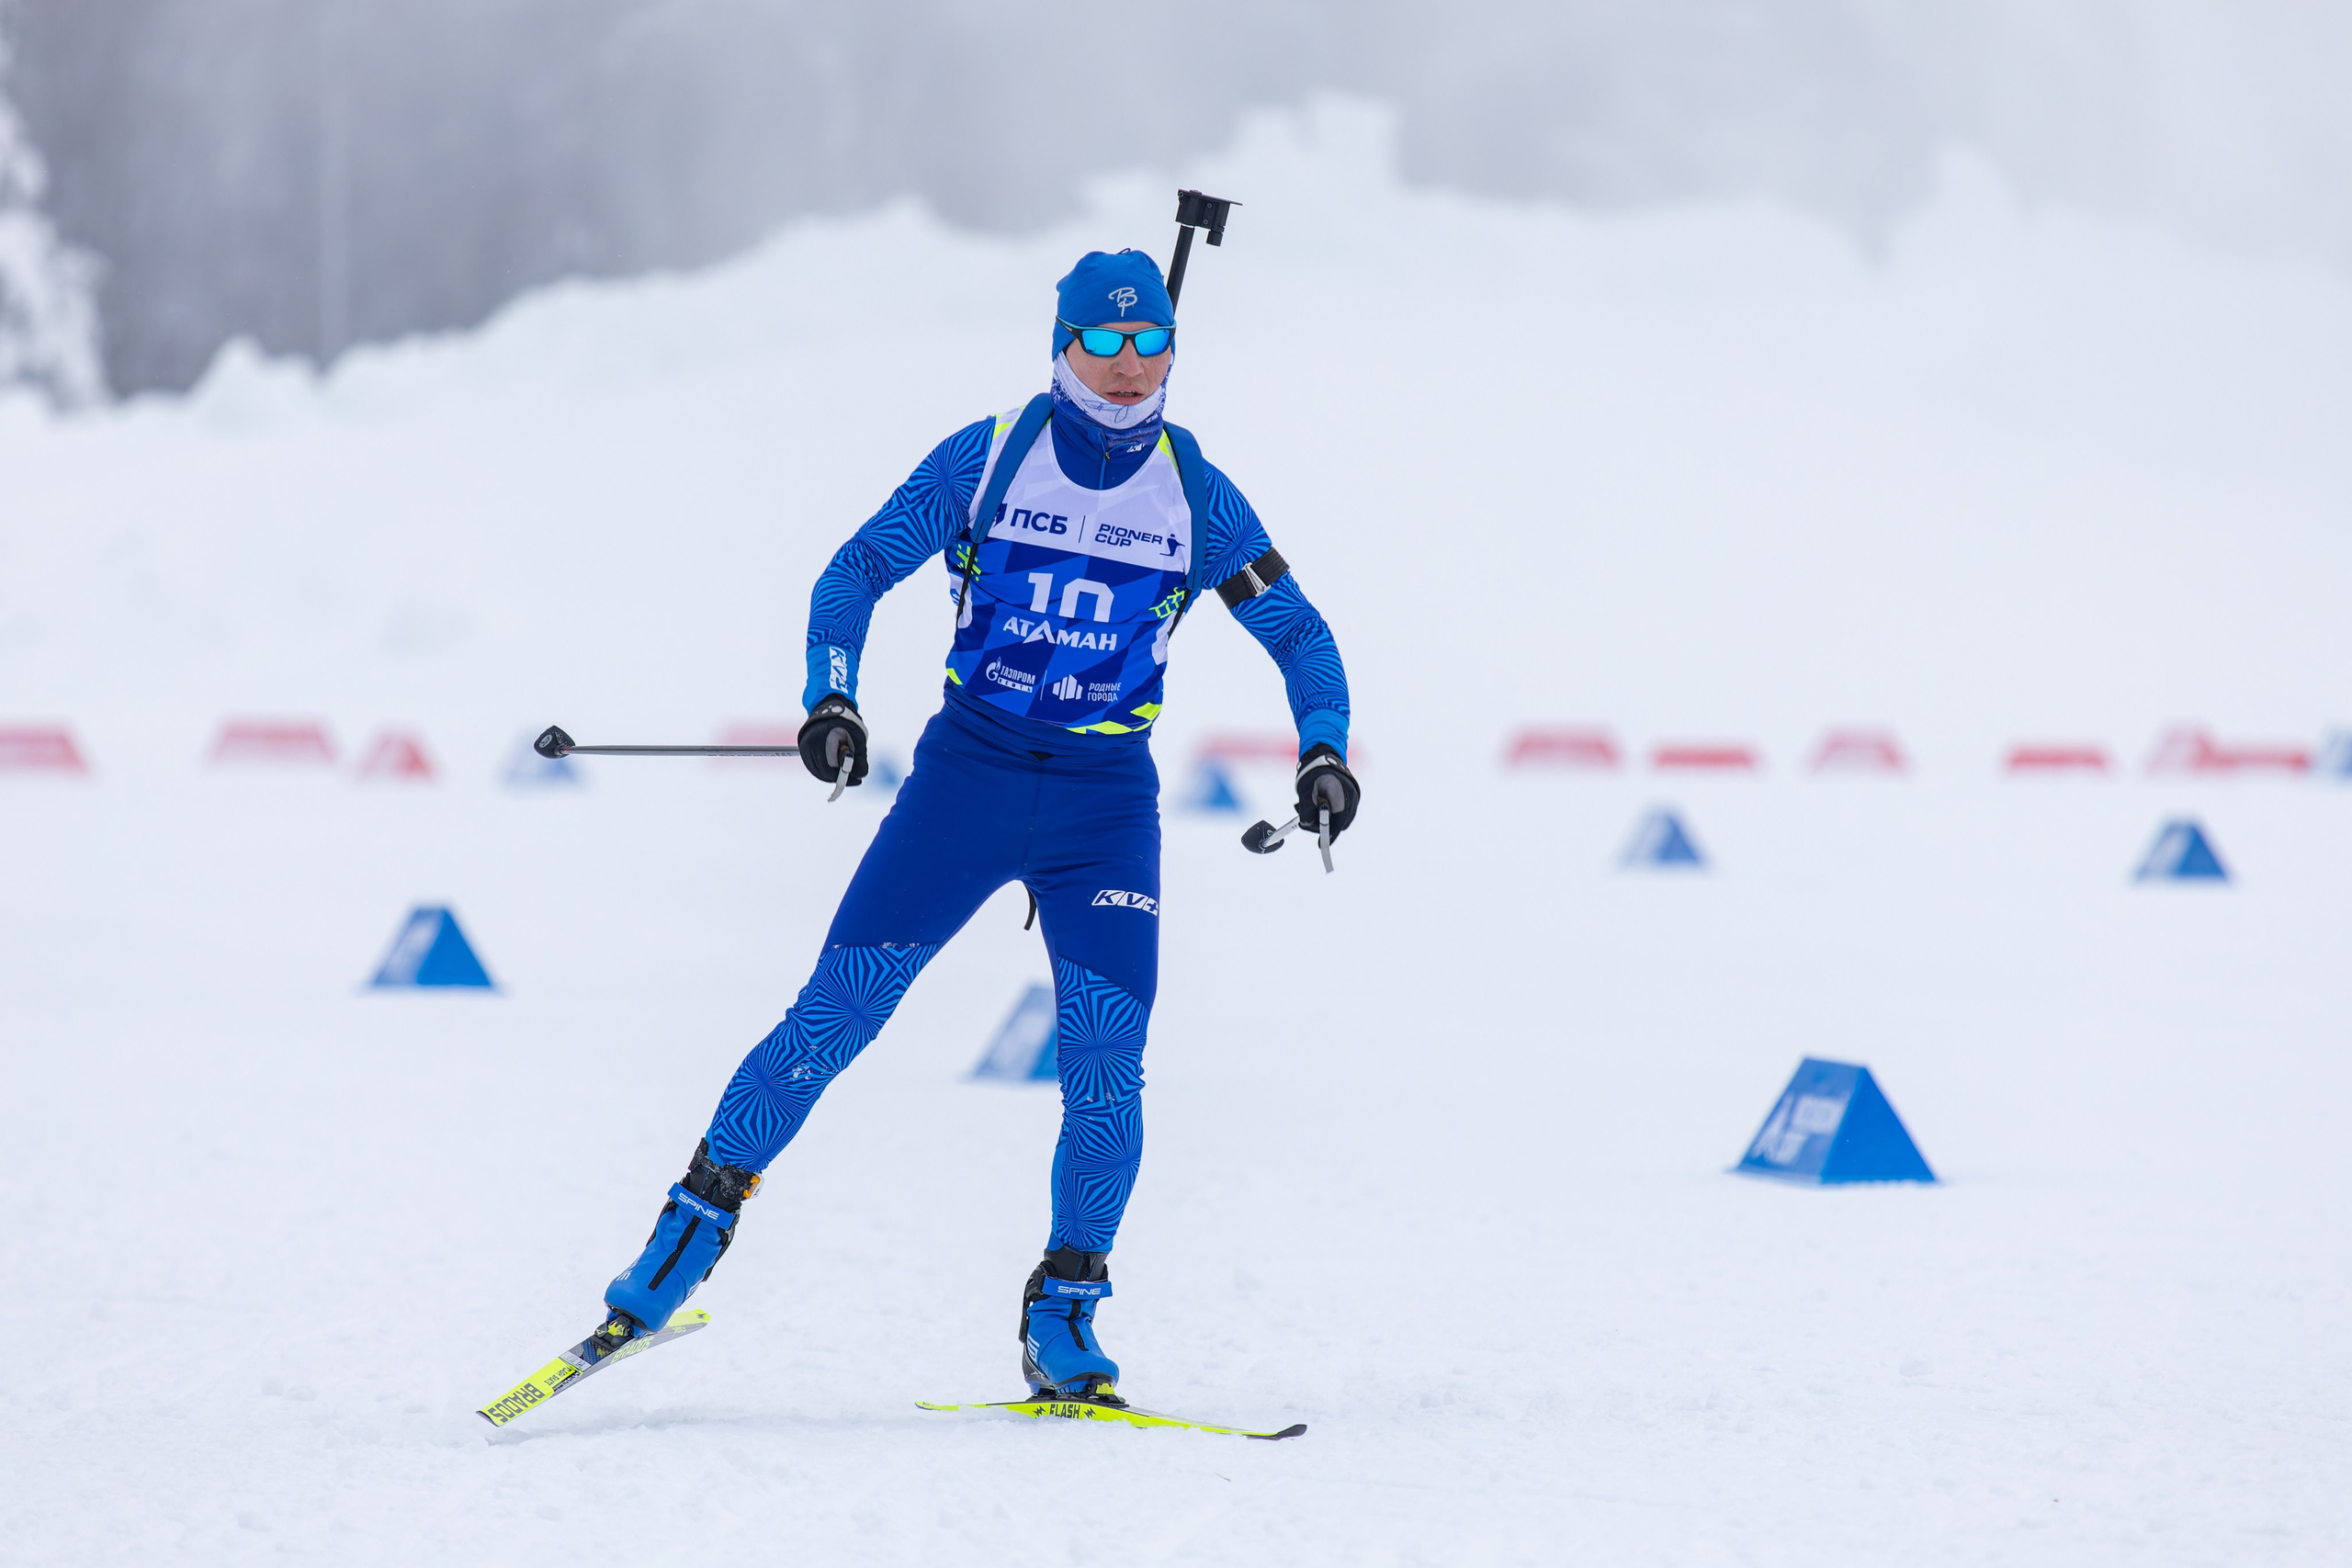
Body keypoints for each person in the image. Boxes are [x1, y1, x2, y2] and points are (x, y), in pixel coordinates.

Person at [596, 248, 1357, 1403]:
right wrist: (831, 696)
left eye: (1150, 341)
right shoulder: (992, 455)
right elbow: (856, 569)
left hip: (1104, 810)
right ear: (1060, 344)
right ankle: (683, 1242)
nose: (1126, 366)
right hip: (969, 780)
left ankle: (1065, 1311)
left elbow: (1297, 632)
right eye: (1101, 343)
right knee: (834, 1018)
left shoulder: (1195, 493)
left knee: (1106, 1071)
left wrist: (1323, 748)